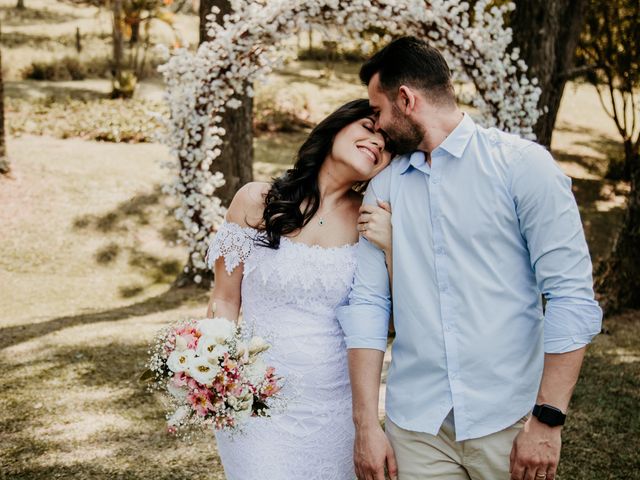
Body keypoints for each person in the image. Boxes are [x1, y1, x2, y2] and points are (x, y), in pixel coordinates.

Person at [338, 37, 603, 480]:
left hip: (509, 422)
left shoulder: (523, 167)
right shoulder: (386, 186)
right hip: (416, 427)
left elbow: (571, 297)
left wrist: (547, 420)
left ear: (406, 100)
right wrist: (367, 424)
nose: (379, 128)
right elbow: (367, 303)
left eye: (379, 111)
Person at [206, 99, 394, 480]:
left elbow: (391, 321)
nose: (377, 143)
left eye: (387, 143)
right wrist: (215, 369)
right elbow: (225, 299)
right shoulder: (255, 201)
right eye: (368, 128)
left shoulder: (375, 220)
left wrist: (392, 248)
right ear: (335, 128)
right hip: (255, 404)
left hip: (337, 410)